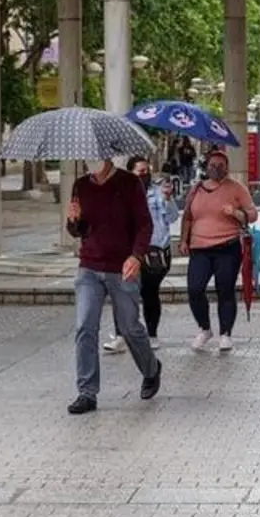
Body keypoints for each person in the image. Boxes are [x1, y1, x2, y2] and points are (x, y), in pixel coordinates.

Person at [64, 157, 163, 415]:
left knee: (129, 327)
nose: (90, 161)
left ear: (106, 157)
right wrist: (73, 221)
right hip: (89, 266)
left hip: (122, 267)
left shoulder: (129, 183)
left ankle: (151, 369)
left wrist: (136, 256)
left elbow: (144, 224)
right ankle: (87, 392)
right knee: (85, 326)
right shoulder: (81, 185)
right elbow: (79, 230)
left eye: (94, 157)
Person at [178, 150, 257, 352]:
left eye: (221, 165)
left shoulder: (236, 188)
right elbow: (187, 216)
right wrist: (184, 239)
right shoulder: (196, 189)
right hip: (199, 248)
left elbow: (252, 214)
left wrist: (236, 213)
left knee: (225, 290)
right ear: (206, 167)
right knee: (195, 289)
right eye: (212, 165)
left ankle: (225, 333)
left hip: (227, 247)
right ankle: (205, 328)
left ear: (227, 168)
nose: (216, 169)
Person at [103, 156, 181, 353]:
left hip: (154, 250)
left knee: (149, 293)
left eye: (147, 171)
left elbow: (172, 217)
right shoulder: (121, 193)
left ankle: (152, 335)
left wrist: (168, 199)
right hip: (128, 251)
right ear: (131, 173)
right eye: (141, 172)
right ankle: (121, 335)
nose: (145, 175)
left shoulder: (157, 192)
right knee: (123, 292)